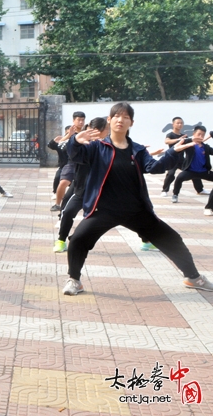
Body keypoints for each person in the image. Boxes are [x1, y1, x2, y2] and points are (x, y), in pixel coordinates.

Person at [62, 102, 213, 295]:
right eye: (117, 116)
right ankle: (74, 281)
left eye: (125, 117)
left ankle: (193, 278)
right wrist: (75, 140)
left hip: (136, 210)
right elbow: (75, 155)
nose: (120, 120)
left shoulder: (137, 150)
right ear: (109, 120)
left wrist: (172, 152)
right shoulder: (96, 147)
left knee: (172, 239)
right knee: (78, 239)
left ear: (131, 122)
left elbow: (154, 167)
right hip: (104, 210)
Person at [53, 118, 107, 253]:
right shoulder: (81, 144)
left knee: (98, 219)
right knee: (68, 212)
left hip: (101, 191)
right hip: (81, 188)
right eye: (93, 130)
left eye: (101, 130)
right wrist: (75, 140)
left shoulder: (108, 146)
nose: (96, 133)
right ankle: (61, 240)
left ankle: (147, 239)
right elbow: (69, 150)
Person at [161, 117, 206, 197]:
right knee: (171, 174)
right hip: (172, 159)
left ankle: (200, 189)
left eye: (181, 123)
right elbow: (167, 141)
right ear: (173, 124)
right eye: (178, 123)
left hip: (182, 160)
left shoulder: (183, 136)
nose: (180, 124)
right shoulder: (170, 134)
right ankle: (164, 190)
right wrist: (179, 140)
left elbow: (193, 142)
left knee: (194, 172)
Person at [171, 126, 213, 212]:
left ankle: (209, 207)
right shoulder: (189, 144)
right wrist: (190, 142)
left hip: (204, 172)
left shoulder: (206, 147)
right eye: (199, 134)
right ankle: (175, 194)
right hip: (190, 171)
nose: (201, 137)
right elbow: (177, 147)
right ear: (194, 134)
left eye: (203, 135)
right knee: (179, 178)